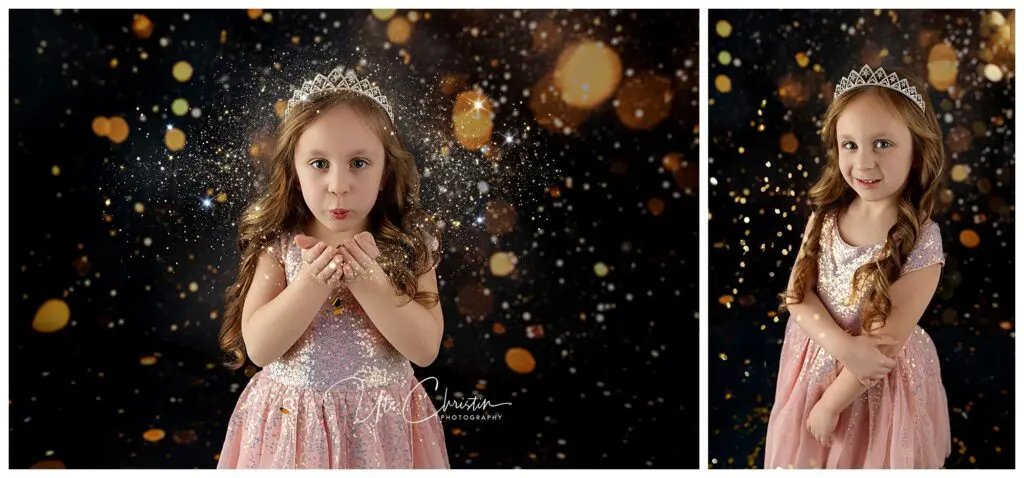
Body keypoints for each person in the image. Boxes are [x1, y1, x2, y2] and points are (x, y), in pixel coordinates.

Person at [215, 66, 450, 468]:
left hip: (380, 424)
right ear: (293, 173)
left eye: (358, 163)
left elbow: (425, 349)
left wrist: (369, 281)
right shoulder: (279, 243)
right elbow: (259, 346)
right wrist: (310, 284)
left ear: (384, 173)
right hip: (292, 423)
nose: (338, 184)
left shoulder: (409, 243)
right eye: (319, 163)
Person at [764, 65, 951, 468]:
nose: (863, 162)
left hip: (878, 381)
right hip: (817, 361)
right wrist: (843, 347)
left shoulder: (922, 238)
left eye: (882, 143)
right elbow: (798, 294)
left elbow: (883, 345)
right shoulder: (826, 217)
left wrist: (832, 403)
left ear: (918, 150)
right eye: (850, 145)